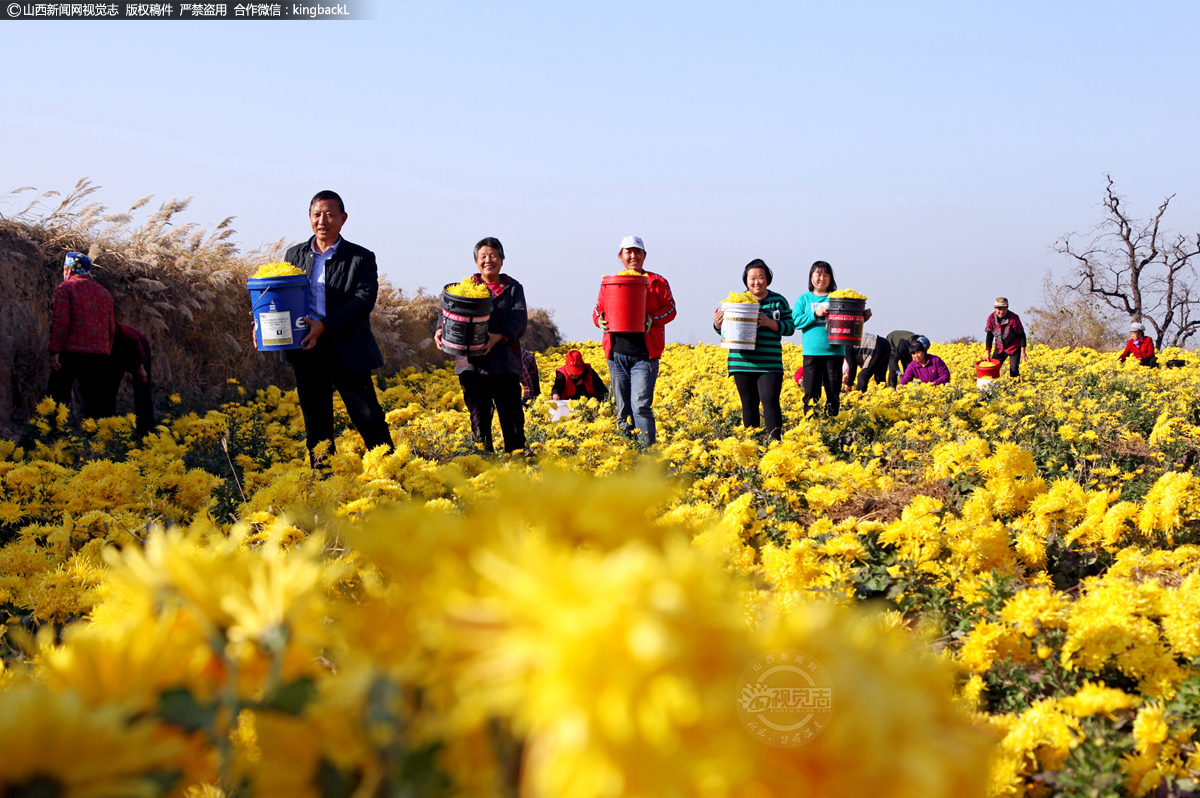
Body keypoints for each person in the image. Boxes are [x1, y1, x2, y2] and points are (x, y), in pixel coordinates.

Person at [283, 190, 392, 462]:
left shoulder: (360, 257)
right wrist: (264, 326)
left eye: (330, 215)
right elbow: (281, 295)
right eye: (317, 214)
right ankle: (324, 485)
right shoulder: (293, 255)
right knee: (316, 425)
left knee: (368, 417)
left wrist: (325, 325)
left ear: (343, 219)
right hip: (307, 347)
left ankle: (392, 472)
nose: (323, 221)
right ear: (309, 217)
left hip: (347, 346)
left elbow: (363, 300)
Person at [435, 237, 528, 453]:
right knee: (478, 413)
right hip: (472, 363)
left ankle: (517, 459)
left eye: (494, 255)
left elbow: (519, 319)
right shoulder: (465, 287)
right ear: (476, 261)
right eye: (483, 256)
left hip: (504, 362)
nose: (489, 260)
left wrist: (498, 336)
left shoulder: (513, 288)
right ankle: (483, 461)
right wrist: (440, 329)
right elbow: (448, 312)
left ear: (502, 260)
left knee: (511, 413)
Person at [593, 235, 676, 445]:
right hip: (617, 354)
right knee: (622, 409)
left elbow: (671, 310)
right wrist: (599, 320)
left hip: (644, 355)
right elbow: (598, 310)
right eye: (628, 252)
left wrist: (652, 319)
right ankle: (626, 453)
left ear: (644, 256)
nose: (633, 256)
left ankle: (646, 454)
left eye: (637, 252)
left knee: (640, 405)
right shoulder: (611, 282)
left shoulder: (657, 281)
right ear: (620, 256)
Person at [712, 259, 794, 440]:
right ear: (746, 280)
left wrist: (769, 323)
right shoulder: (736, 301)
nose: (756, 282)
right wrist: (718, 324)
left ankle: (776, 444)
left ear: (768, 279)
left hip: (769, 363)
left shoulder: (778, 301)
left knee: (770, 402)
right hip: (742, 361)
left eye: (761, 277)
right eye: (752, 278)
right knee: (748, 404)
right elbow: (724, 330)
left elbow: (790, 328)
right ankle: (752, 446)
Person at [793, 261, 869, 417]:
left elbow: (848, 322)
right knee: (811, 394)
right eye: (818, 274)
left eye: (825, 275)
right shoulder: (804, 299)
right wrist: (815, 314)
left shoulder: (838, 298)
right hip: (812, 352)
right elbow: (795, 322)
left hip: (834, 352)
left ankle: (831, 424)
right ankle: (810, 425)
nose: (822, 278)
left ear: (831, 278)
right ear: (811, 277)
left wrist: (862, 317)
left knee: (833, 393)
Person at [47, 251, 115, 420]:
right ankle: (95, 442)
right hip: (99, 355)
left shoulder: (66, 287)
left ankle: (50, 436)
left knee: (56, 398)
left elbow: (61, 322)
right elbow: (110, 329)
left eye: (64, 269)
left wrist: (54, 350)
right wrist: (106, 351)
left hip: (71, 353)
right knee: (95, 404)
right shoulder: (104, 293)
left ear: (68, 269)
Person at [104, 323, 155, 438]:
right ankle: (109, 431)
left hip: (137, 350)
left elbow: (134, 340)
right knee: (108, 392)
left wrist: (140, 368)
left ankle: (147, 435)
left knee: (142, 391)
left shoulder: (113, 327)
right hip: (114, 354)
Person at [984, 297, 1027, 378]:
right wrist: (988, 353)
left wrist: (1023, 352)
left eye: (1004, 309)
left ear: (1007, 308)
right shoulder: (991, 318)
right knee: (992, 368)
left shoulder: (1013, 318)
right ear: (995, 308)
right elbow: (989, 336)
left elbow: (1021, 334)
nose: (1001, 312)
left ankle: (1015, 387)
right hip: (1000, 347)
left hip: (1014, 347)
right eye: (999, 309)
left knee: (1014, 370)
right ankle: (992, 387)